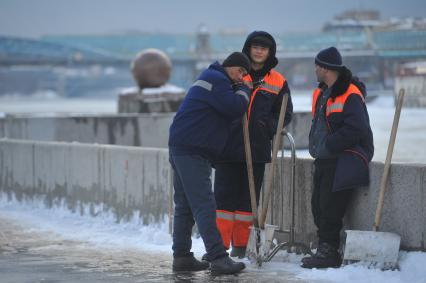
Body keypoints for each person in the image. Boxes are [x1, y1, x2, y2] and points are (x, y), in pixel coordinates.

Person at [169, 52, 251, 275]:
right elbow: (235, 107)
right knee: (204, 205)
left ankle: (182, 257)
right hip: (192, 150)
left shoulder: (210, 77)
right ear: (232, 66)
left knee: (185, 206)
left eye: (245, 75)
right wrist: (245, 90)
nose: (241, 77)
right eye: (241, 72)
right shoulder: (218, 80)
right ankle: (218, 258)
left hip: (182, 146)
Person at [213, 31, 293, 258]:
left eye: (263, 48)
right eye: (255, 46)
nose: (258, 51)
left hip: (256, 149)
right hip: (228, 146)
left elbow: (285, 113)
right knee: (223, 200)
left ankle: (240, 247)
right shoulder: (235, 73)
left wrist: (265, 126)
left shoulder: (278, 81)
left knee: (248, 201)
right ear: (248, 49)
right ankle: (218, 249)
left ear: (270, 53)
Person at [301, 46, 374, 269]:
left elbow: (356, 128)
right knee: (318, 206)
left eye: (317, 65)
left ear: (325, 68)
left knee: (331, 207)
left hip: (342, 158)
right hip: (324, 158)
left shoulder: (349, 93)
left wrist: (331, 145)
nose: (314, 69)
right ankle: (324, 247)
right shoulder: (323, 92)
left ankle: (329, 252)